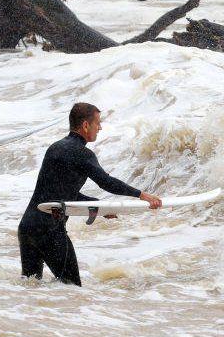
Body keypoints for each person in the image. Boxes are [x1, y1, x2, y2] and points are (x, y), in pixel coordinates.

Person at [18, 103, 162, 286]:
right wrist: (141, 194)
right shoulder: (82, 154)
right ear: (85, 125)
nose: (100, 128)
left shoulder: (55, 148)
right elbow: (106, 182)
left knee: (30, 287)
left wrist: (99, 207)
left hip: (28, 227)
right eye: (98, 123)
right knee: (72, 289)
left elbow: (62, 194)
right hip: (49, 231)